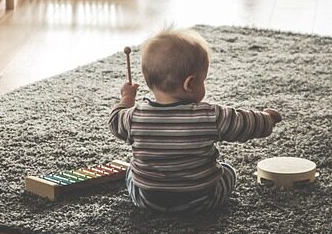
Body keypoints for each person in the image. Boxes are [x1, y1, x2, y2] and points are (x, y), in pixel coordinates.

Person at [108, 27, 282, 213]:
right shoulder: (210, 116)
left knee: (130, 171)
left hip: (147, 199)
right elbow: (244, 123)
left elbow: (115, 120)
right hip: (201, 199)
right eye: (203, 80)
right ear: (189, 84)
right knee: (228, 171)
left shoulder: (133, 117)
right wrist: (268, 118)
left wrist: (127, 97)